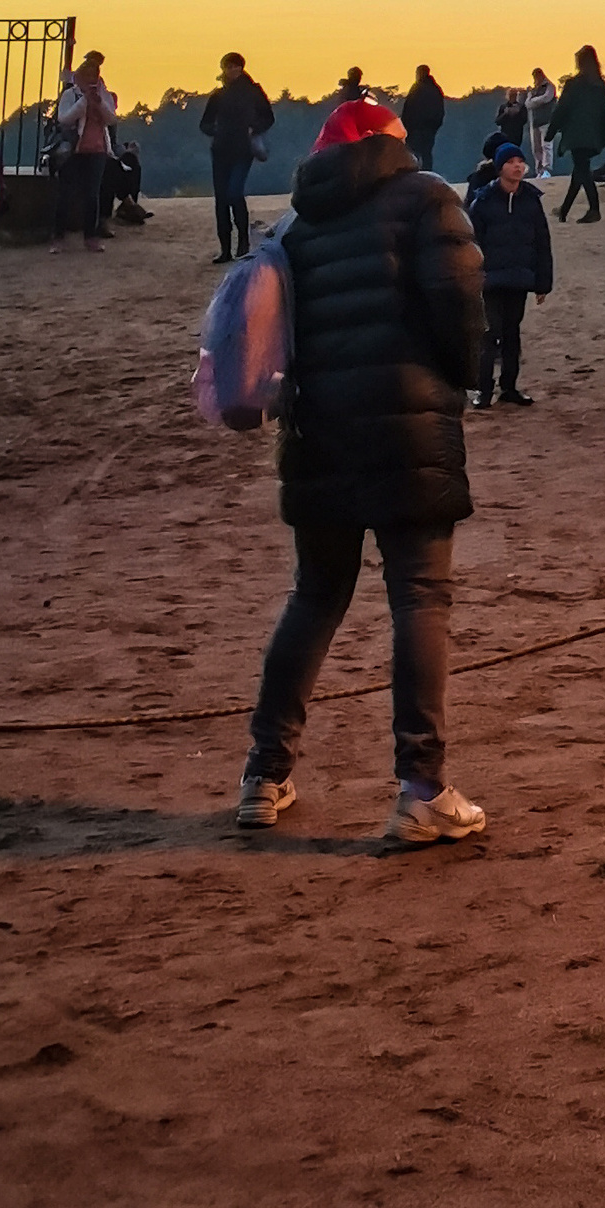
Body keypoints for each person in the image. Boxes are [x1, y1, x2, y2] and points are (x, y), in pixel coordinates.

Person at [238, 80, 488, 849]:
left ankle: (263, 772)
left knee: (314, 596)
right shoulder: (427, 198)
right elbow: (460, 303)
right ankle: (421, 787)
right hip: (409, 430)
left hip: (319, 437)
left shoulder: (297, 223)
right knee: (419, 598)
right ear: (393, 142)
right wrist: (460, 376)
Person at [465, 141, 554, 408]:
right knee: (489, 334)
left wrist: (543, 283)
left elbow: (542, 242)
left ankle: (510, 387)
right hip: (489, 280)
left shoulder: (531, 201)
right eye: (510, 162)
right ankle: (483, 391)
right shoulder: (483, 201)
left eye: (520, 161)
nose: (517, 166)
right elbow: (471, 243)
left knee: (512, 334)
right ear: (499, 167)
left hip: (519, 278)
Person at [200, 50, 274, 264]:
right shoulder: (217, 95)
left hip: (243, 151)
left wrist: (253, 129)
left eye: (235, 66)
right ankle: (225, 249)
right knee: (221, 200)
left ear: (241, 68)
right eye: (228, 66)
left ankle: (243, 243)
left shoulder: (253, 92)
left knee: (234, 193)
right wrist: (217, 131)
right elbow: (204, 123)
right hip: (221, 151)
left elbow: (268, 117)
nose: (231, 70)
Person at [49, 50, 117, 253]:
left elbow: (111, 119)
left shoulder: (104, 94)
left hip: (97, 149)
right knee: (66, 194)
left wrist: (98, 102)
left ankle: (91, 236)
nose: (90, 79)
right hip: (73, 150)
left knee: (92, 195)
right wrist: (84, 102)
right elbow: (65, 119)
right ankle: (58, 237)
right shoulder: (70, 95)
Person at [551, 44, 605, 222]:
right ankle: (564, 210)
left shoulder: (574, 85)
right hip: (594, 135)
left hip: (577, 135)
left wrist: (552, 130)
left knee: (582, 171)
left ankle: (594, 209)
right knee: (580, 171)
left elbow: (562, 109)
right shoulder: (600, 86)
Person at [401, 63, 446, 174]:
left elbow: (408, 108)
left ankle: (415, 175)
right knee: (425, 153)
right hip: (426, 128)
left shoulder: (418, 89)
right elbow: (440, 110)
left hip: (417, 128)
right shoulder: (435, 89)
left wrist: (406, 125)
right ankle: (426, 174)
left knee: (414, 153)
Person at [525, 67, 557, 178]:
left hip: (546, 120)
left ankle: (547, 169)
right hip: (534, 122)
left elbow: (546, 99)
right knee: (536, 148)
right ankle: (539, 170)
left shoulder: (549, 87)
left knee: (546, 146)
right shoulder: (533, 90)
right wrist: (536, 101)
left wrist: (534, 101)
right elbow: (527, 104)